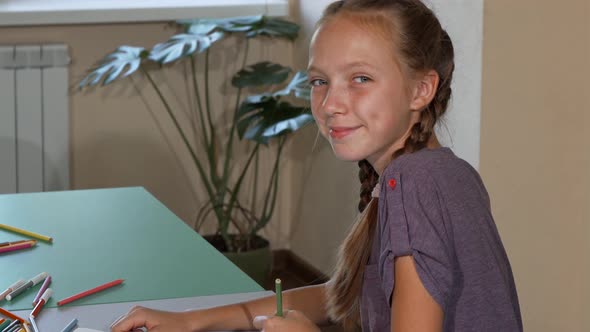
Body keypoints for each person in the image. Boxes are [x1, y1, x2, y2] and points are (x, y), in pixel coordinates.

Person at [111, 0, 523, 331]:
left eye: (360, 78)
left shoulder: (414, 182)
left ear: (421, 89)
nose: (329, 104)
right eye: (319, 81)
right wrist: (194, 320)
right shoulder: (444, 174)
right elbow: (349, 293)